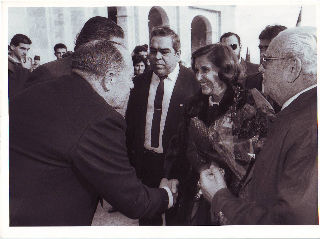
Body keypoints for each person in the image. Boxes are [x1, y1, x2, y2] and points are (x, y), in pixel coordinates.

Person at [10, 39, 178, 226]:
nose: (132, 86)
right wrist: (166, 195)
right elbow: (133, 201)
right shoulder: (100, 119)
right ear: (110, 79)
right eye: (130, 78)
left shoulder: (35, 91)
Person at [199, 26, 317, 225]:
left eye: (267, 61)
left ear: (293, 68)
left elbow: (289, 222)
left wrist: (220, 197)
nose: (261, 68)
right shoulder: (299, 111)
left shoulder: (308, 125)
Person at [164, 43, 274, 225]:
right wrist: (172, 175)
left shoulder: (249, 103)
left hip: (235, 198)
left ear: (225, 69)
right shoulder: (193, 105)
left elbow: (263, 154)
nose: (198, 77)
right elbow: (179, 147)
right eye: (196, 70)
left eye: (205, 70)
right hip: (195, 195)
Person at [126, 26, 199, 225]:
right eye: (153, 50)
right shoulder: (139, 83)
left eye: (164, 52)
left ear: (178, 53)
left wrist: (179, 171)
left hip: (179, 167)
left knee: (179, 223)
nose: (157, 57)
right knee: (148, 222)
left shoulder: (194, 85)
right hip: (145, 166)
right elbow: (131, 127)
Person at [25, 16, 125, 87]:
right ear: (91, 44)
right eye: (113, 48)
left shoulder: (111, 75)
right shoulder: (47, 73)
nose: (118, 54)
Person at [245, 25, 287, 91]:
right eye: (261, 48)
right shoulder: (250, 82)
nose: (262, 54)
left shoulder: (295, 84)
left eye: (268, 48)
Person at [8, 34, 32, 99]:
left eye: (27, 49)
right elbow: (14, 92)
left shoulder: (26, 63)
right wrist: (25, 70)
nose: (25, 53)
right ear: (12, 47)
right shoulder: (6, 65)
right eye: (23, 49)